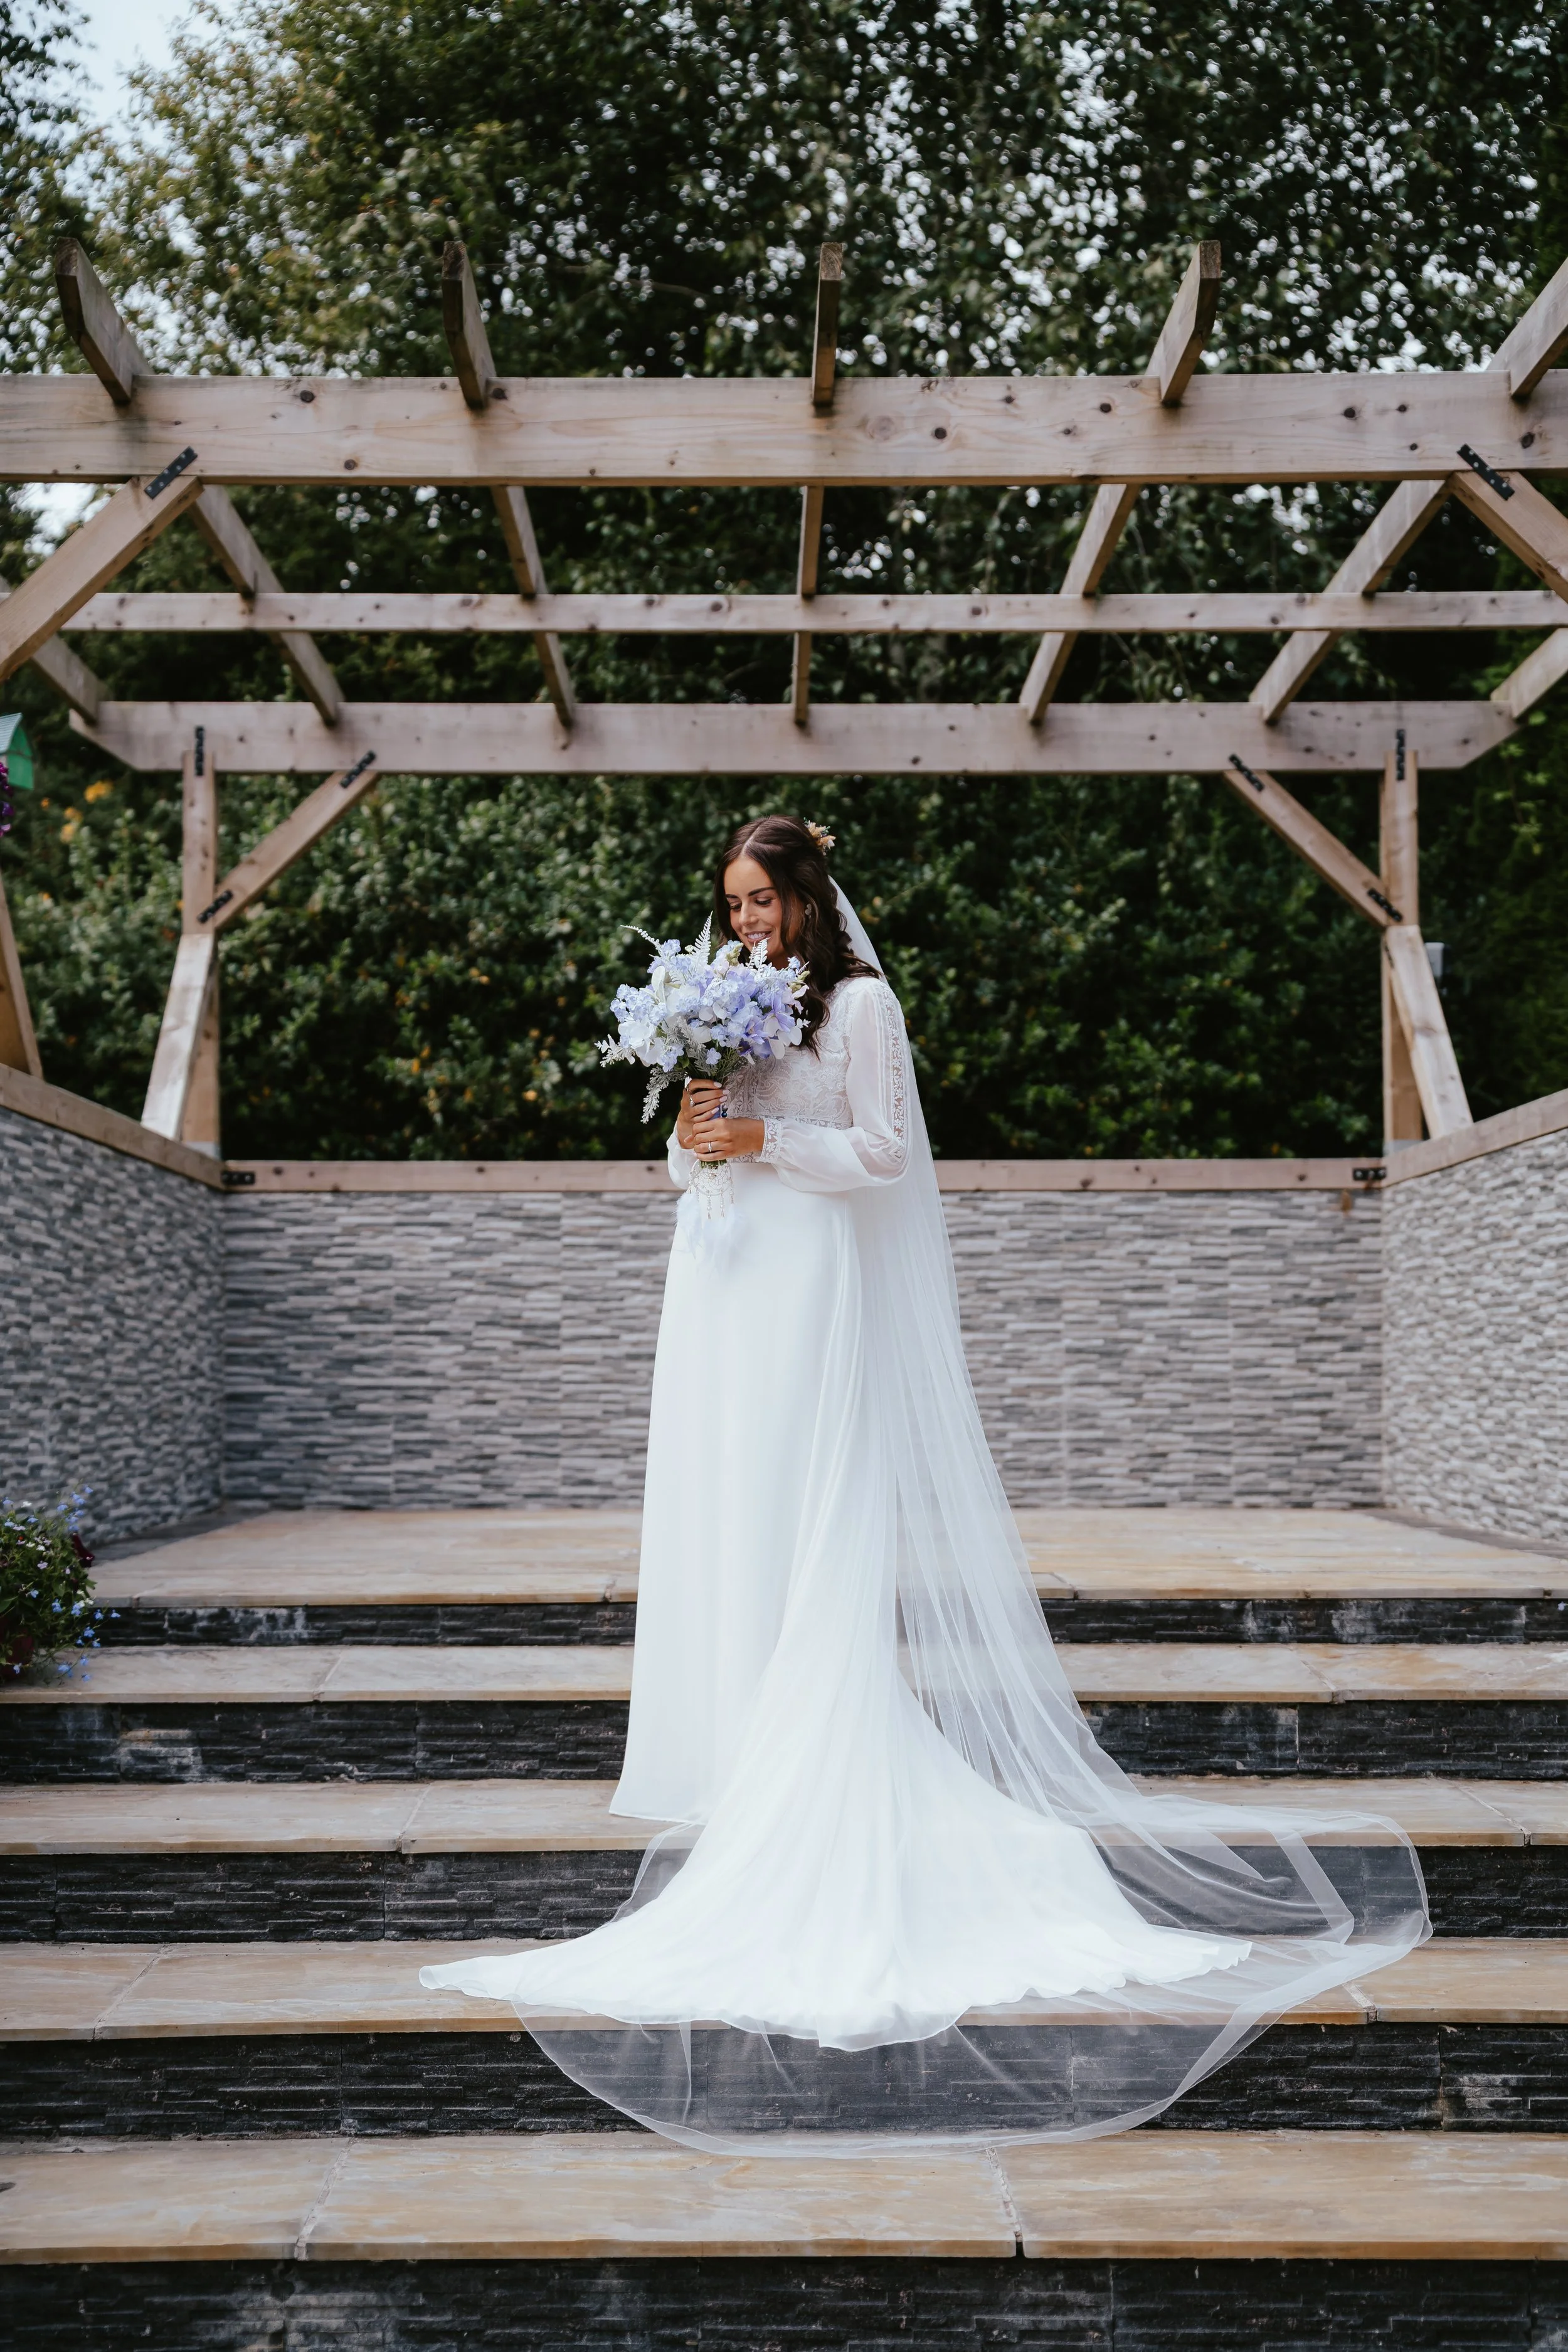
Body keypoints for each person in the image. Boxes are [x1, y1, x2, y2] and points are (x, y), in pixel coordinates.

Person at [423, 813, 1428, 2152]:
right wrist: (699, 1127)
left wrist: (766, 1146)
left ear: (804, 896)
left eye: (763, 902)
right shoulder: (728, 1005)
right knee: (728, 1523)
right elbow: (686, 1157)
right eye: (731, 906)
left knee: (804, 1520)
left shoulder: (861, 1010)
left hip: (805, 1288)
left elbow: (882, 1158)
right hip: (719, 1288)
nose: (746, 927)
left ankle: (807, 1755)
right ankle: (729, 1744)